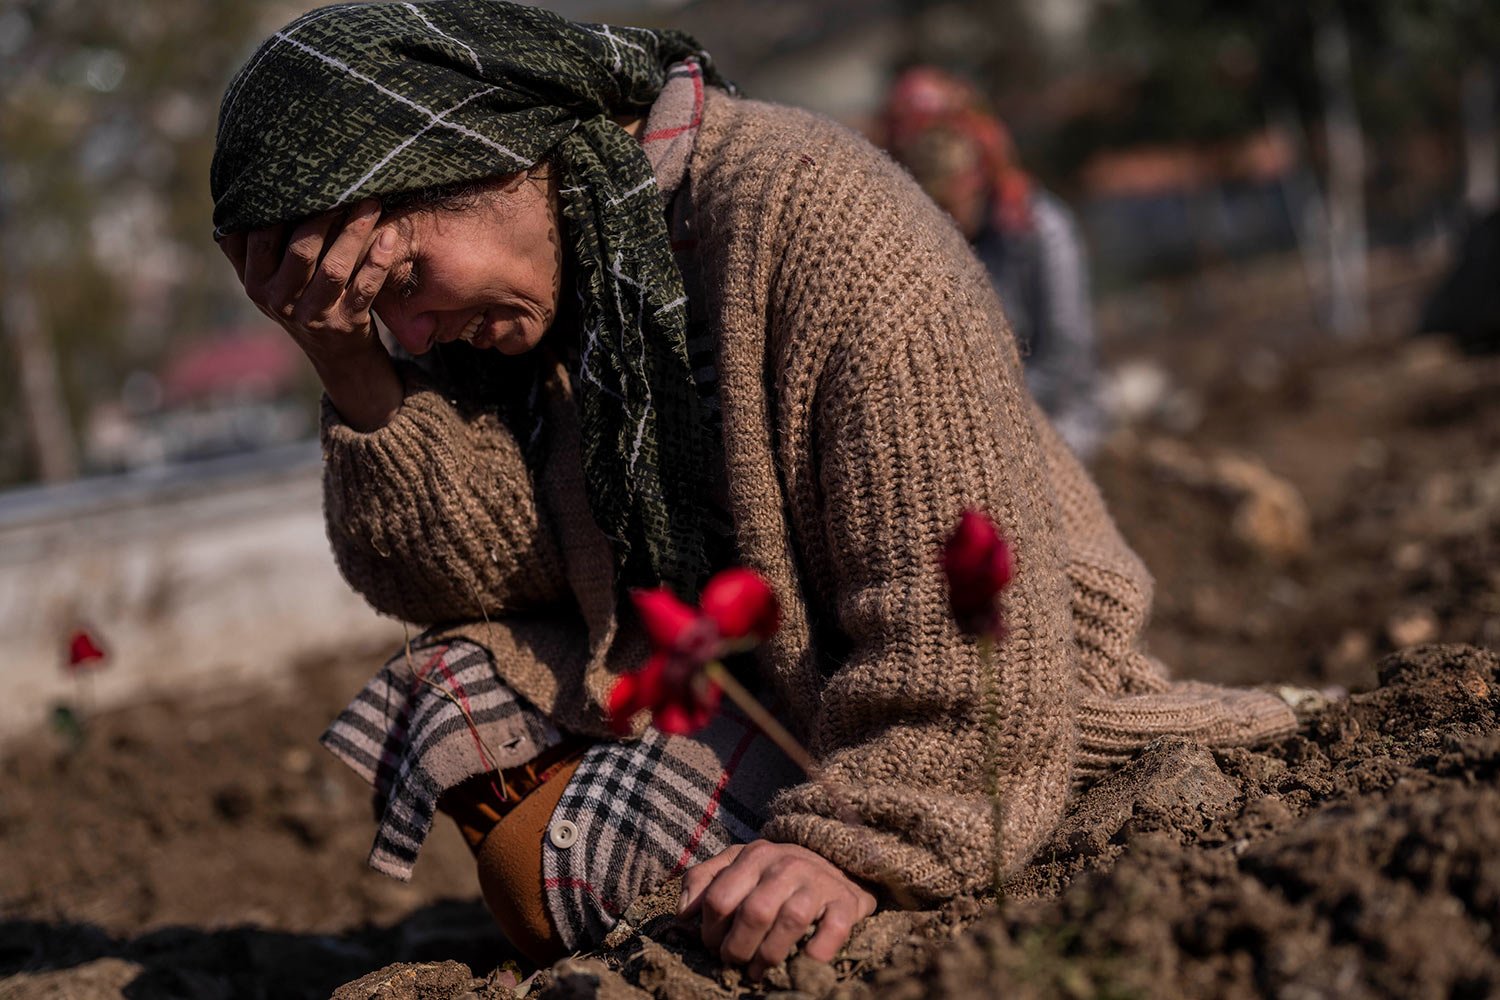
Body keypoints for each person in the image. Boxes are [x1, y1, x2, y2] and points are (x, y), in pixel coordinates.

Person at [211, 0, 1296, 978]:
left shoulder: (815, 220)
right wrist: (349, 365)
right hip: (776, 692)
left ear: (487, 154)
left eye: (404, 283)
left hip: (992, 721)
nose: (408, 330)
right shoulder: (553, 286)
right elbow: (473, 571)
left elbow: (973, 611)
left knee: (568, 882)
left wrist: (865, 848)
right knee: (454, 688)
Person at [881, 67, 1106, 459]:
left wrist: (980, 417)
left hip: (1056, 427)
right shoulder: (918, 246)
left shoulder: (1040, 230)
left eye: (955, 202)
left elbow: (1064, 356)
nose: (950, 218)